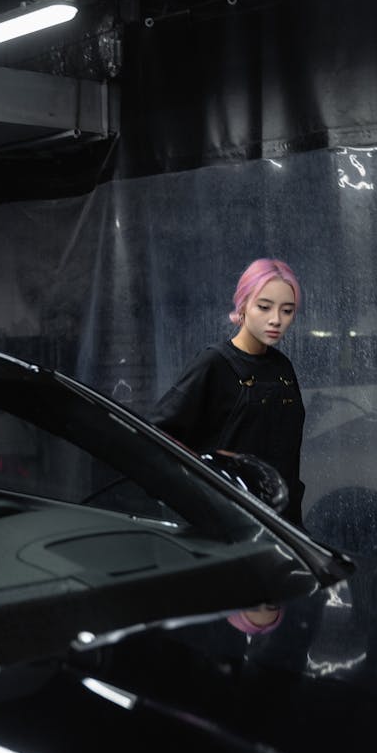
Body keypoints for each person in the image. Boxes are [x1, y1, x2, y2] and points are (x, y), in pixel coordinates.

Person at [152, 258, 306, 634]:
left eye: (287, 311)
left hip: (281, 529)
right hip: (227, 534)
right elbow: (158, 436)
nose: (276, 320)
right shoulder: (214, 365)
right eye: (264, 307)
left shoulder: (283, 369)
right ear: (242, 306)